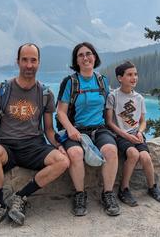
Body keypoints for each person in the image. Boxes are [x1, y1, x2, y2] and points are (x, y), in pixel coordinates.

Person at [0, 43, 69, 233]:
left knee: (63, 162)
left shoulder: (45, 94)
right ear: (17, 62)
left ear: (39, 63)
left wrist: (59, 145)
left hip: (33, 146)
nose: (28, 65)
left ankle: (21, 196)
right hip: (6, 146)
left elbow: (49, 129)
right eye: (24, 60)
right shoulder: (1, 90)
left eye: (33, 60)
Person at [56, 42, 120, 217]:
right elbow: (60, 112)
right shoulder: (70, 82)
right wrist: (70, 129)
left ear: (95, 57)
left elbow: (109, 109)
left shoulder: (102, 81)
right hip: (75, 129)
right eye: (81, 55)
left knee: (111, 150)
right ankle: (79, 195)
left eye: (89, 54)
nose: (85, 58)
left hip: (99, 129)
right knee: (75, 154)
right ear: (76, 61)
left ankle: (108, 194)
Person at [106, 61, 160, 207]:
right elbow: (109, 122)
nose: (134, 78)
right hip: (120, 135)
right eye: (129, 75)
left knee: (145, 157)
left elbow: (142, 121)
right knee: (133, 155)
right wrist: (126, 136)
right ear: (120, 78)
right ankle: (124, 189)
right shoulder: (113, 96)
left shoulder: (139, 98)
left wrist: (140, 132)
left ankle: (152, 187)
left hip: (136, 134)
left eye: (135, 74)